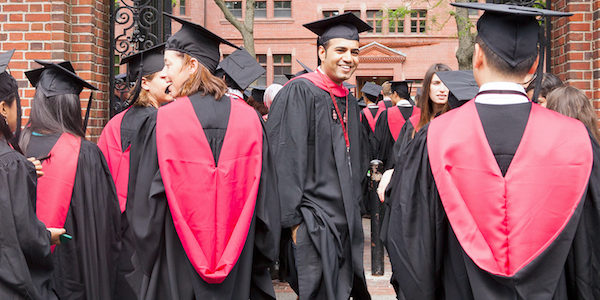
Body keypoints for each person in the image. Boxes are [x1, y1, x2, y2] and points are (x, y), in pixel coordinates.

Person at [388, 3, 600, 299]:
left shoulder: (435, 138)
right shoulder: (576, 141)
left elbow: (411, 253)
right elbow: (591, 256)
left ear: (476, 57)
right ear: (535, 64)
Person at [127, 13, 280, 299]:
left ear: (192, 65)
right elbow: (267, 208)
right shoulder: (252, 122)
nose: (166, 73)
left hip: (175, 269)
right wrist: (255, 263)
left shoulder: (161, 123)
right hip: (239, 270)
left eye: (169, 64)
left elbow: (143, 212)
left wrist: (152, 261)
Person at [266, 12, 372, 300]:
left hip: (345, 220)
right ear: (321, 52)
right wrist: (294, 225)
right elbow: (284, 159)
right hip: (313, 221)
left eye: (354, 52)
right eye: (341, 50)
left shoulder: (348, 99)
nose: (349, 58)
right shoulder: (300, 92)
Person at [21, 60, 121, 300]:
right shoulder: (85, 154)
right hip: (70, 276)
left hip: (21, 274)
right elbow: (104, 226)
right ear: (71, 106)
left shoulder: (15, 148)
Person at [0, 50, 66, 300]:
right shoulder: (11, 165)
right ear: (3, 109)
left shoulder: (14, 165)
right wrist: (48, 235)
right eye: (15, 102)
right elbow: (23, 236)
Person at [98, 43, 173, 214]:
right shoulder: (161, 122)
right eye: (163, 78)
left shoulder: (115, 123)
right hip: (149, 214)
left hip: (114, 213)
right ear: (145, 83)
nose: (170, 81)